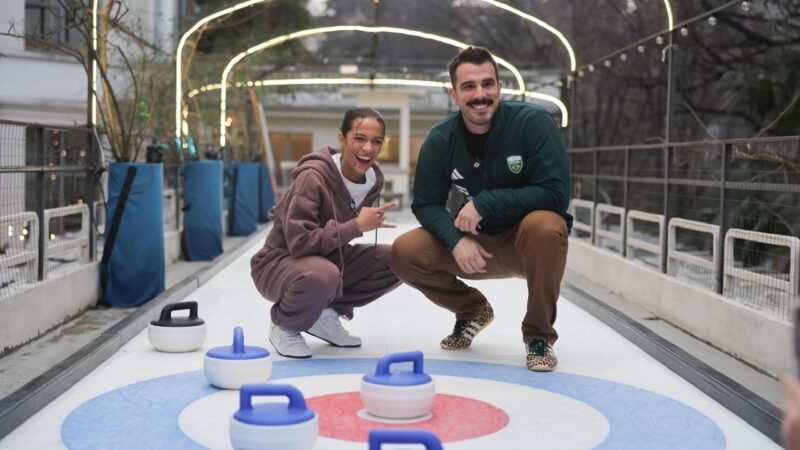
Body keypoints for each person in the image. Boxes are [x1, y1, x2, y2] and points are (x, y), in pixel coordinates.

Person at [388, 46, 573, 372]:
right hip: (474, 242)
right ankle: (471, 309)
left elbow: (556, 194)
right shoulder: (440, 138)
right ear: (454, 94)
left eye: (487, 84)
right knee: (405, 251)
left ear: (499, 87)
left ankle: (539, 335)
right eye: (469, 87)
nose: (480, 95)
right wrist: (454, 240)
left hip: (524, 241)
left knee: (548, 225)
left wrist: (485, 202)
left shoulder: (533, 123)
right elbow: (426, 203)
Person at [251, 107, 401, 358]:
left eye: (376, 142)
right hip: (277, 263)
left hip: (328, 259)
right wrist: (355, 227)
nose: (368, 149)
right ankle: (284, 324)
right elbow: (299, 243)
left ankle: (323, 314)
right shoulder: (313, 177)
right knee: (324, 274)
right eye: (359, 138)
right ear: (341, 139)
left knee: (400, 258)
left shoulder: (374, 179)